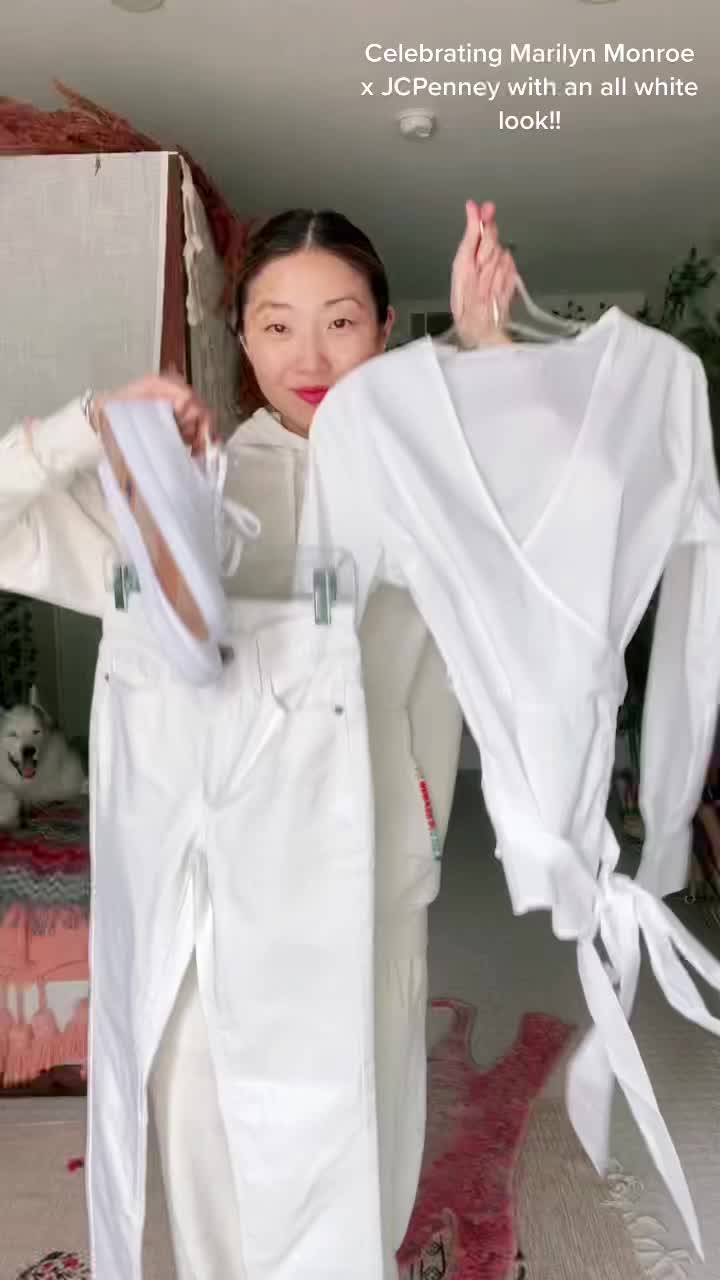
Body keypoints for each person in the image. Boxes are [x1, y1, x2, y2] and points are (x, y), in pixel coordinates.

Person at [0, 199, 516, 1279]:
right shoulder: (189, 490)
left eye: (342, 321)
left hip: (373, 882)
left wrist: (483, 354)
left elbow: (532, 541)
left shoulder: (428, 476)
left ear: (386, 327)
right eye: (278, 325)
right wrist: (91, 425)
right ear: (240, 335)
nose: (310, 356)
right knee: (215, 1167)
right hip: (212, 908)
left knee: (358, 1168)